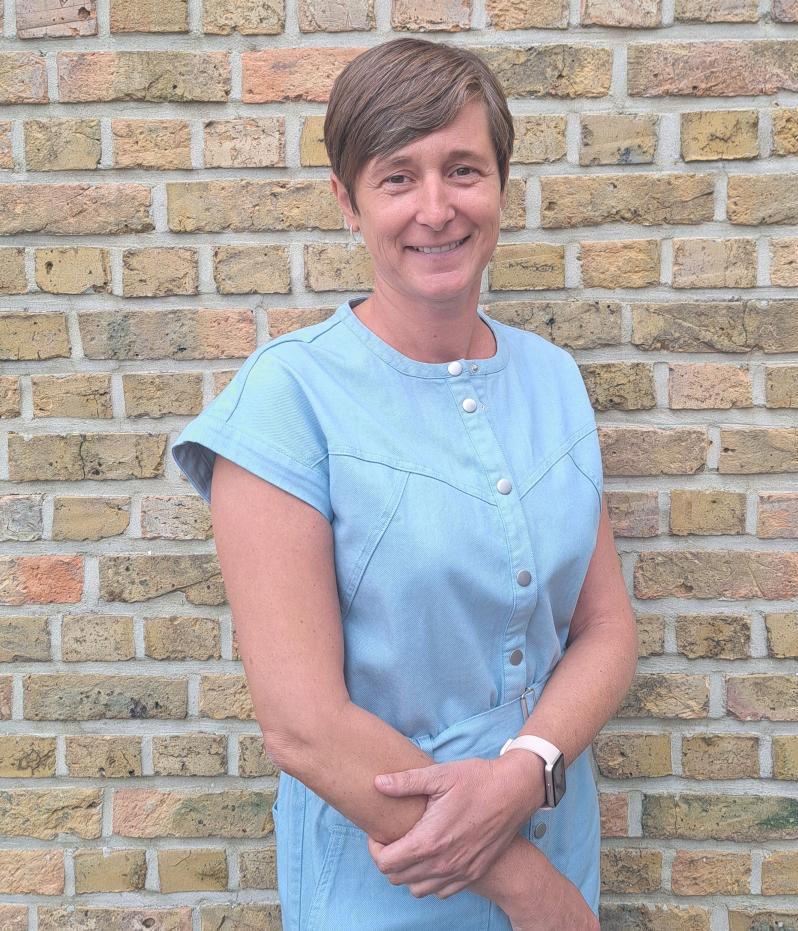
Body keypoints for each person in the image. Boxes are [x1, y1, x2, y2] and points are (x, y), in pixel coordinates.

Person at [171, 37, 638, 930]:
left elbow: (605, 628)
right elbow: (302, 723)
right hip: (389, 880)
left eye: (463, 169)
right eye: (397, 177)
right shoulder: (287, 398)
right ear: (347, 201)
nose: (435, 207)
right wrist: (532, 891)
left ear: (500, 184)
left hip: (556, 830)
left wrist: (526, 769)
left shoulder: (552, 380)